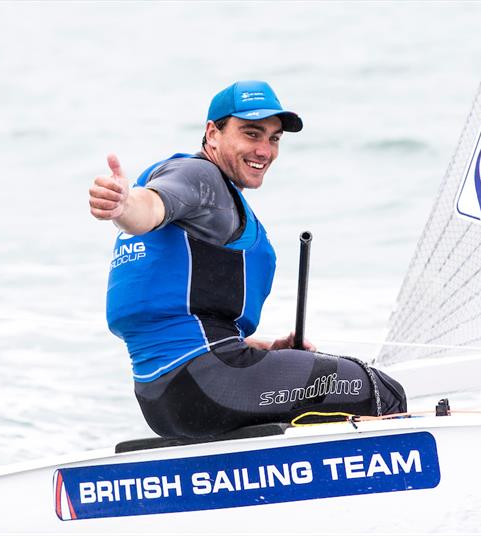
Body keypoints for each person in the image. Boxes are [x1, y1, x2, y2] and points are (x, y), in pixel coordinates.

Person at [89, 80, 406, 439]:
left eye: (274, 139)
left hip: (162, 399)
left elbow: (183, 325)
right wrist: (122, 206)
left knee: (322, 402)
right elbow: (149, 208)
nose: (264, 150)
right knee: (383, 392)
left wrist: (266, 349)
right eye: (251, 133)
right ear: (213, 133)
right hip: (209, 384)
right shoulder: (199, 176)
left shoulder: (201, 193)